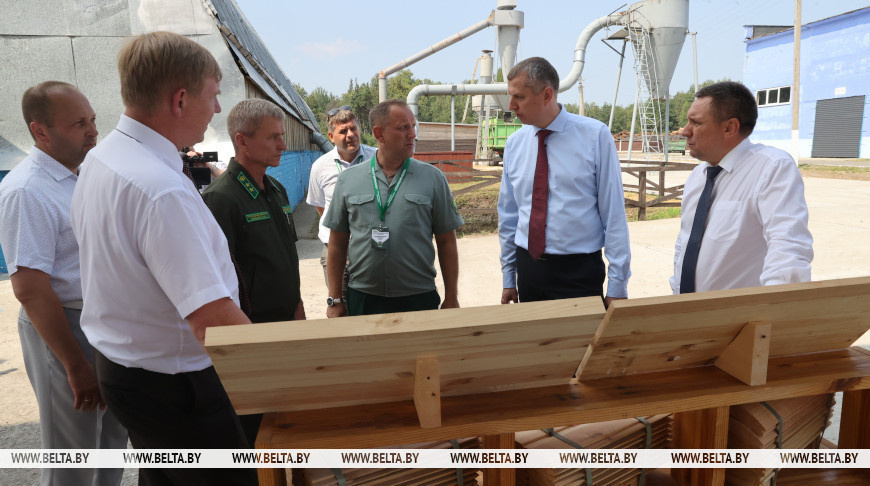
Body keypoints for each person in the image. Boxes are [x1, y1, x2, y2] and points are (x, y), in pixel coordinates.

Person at [70, 32, 257, 485]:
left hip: (129, 372)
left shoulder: (103, 158)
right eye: (213, 95)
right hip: (177, 385)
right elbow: (211, 319)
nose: (216, 109)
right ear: (179, 99)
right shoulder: (160, 188)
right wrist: (292, 371)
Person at [0, 81, 127, 486]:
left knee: (111, 447)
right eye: (78, 123)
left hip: (103, 325)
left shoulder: (82, 175)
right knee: (74, 457)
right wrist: (74, 363)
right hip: (64, 329)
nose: (92, 130)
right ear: (40, 131)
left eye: (92, 120)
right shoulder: (26, 190)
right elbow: (31, 289)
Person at [202, 98, 305, 445]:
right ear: (242, 141)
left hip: (285, 320)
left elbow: (287, 255)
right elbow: (216, 276)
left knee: (289, 415)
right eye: (273, 137)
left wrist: (297, 304)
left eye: (282, 135)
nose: (283, 145)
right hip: (251, 328)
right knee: (254, 425)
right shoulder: (222, 198)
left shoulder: (275, 189)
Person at [498, 57, 630, 308]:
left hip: (578, 273)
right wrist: (509, 277)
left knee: (581, 346)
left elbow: (613, 214)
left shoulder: (595, 136)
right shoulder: (515, 144)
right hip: (529, 270)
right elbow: (508, 215)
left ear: (547, 94)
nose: (511, 105)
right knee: (535, 345)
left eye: (519, 97)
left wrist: (617, 285)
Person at [322, 99, 463, 317]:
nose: (412, 134)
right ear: (380, 134)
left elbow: (447, 241)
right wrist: (335, 299)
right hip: (364, 297)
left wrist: (452, 297)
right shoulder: (348, 180)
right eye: (403, 127)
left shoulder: (433, 179)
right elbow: (337, 244)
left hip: (418, 297)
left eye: (413, 126)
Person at [671, 81, 813, 294]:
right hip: (687, 313)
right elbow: (685, 242)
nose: (685, 132)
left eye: (696, 123)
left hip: (739, 319)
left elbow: (787, 246)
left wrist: (776, 309)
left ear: (729, 128)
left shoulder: (771, 168)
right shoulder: (698, 176)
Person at [307, 106, 376, 290]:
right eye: (343, 131)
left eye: (353, 128)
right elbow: (321, 207)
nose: (350, 134)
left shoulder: (377, 159)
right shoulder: (320, 167)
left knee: (372, 311)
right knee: (339, 307)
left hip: (371, 249)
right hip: (336, 251)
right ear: (331, 137)